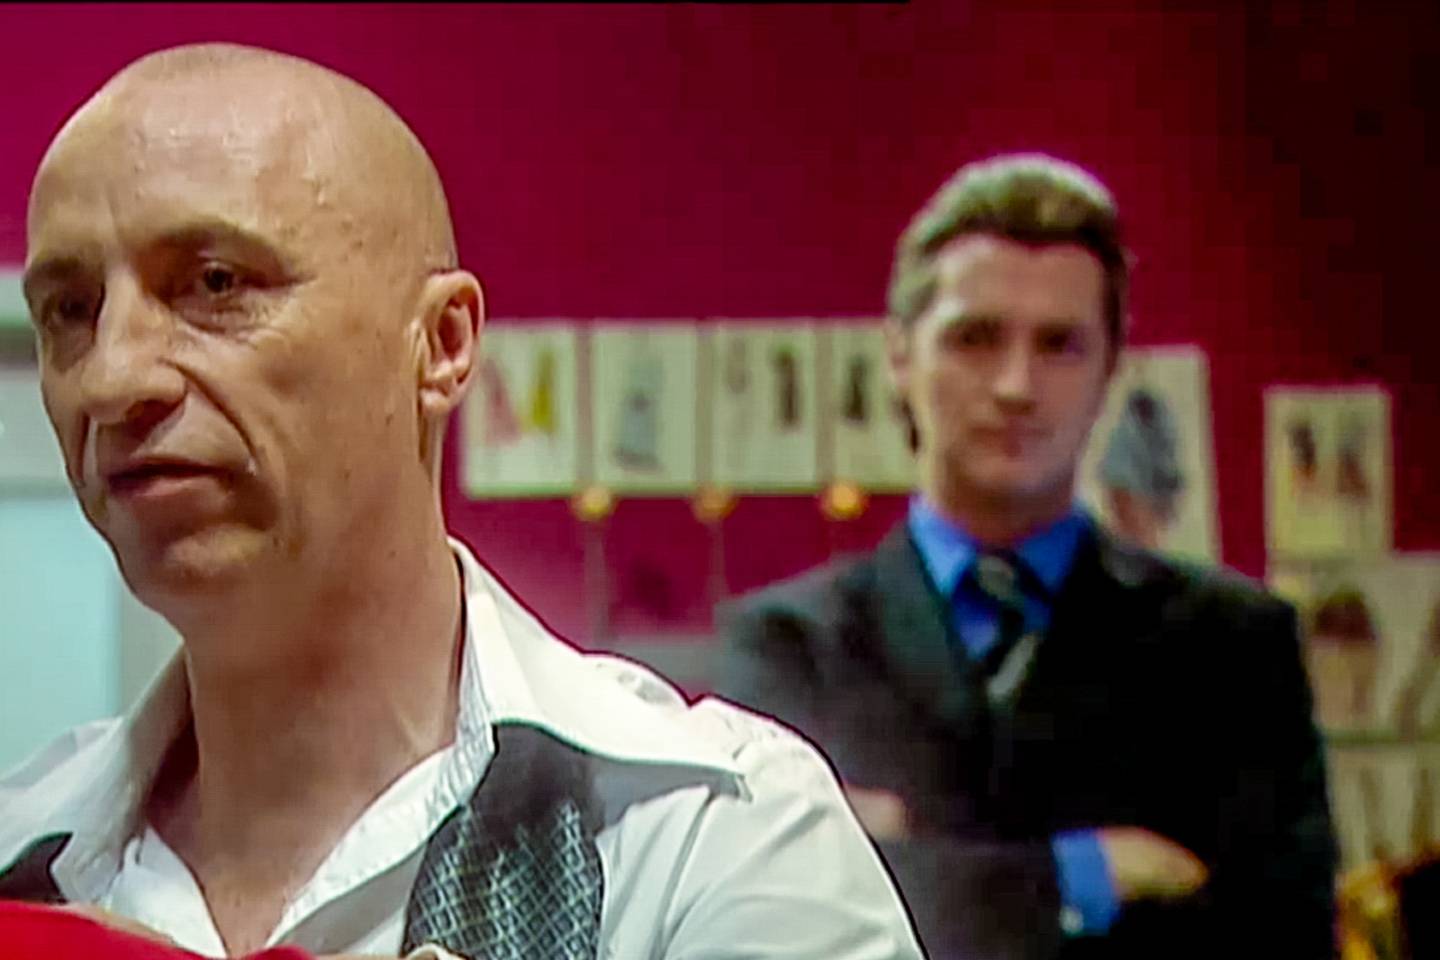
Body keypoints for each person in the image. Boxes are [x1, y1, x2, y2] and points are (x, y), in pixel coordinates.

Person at [0, 43, 923, 960]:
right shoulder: (17, 849)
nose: (113, 379)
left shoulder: (710, 843)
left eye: (215, 284)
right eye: (70, 311)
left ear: (441, 344)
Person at [715, 154, 1338, 958]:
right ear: (900, 357)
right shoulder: (787, 648)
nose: (1015, 385)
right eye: (975, 338)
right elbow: (765, 927)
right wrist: (1084, 876)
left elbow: (1278, 938)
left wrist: (905, 863)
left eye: (1059, 345)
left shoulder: (1235, 649)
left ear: (1112, 366)